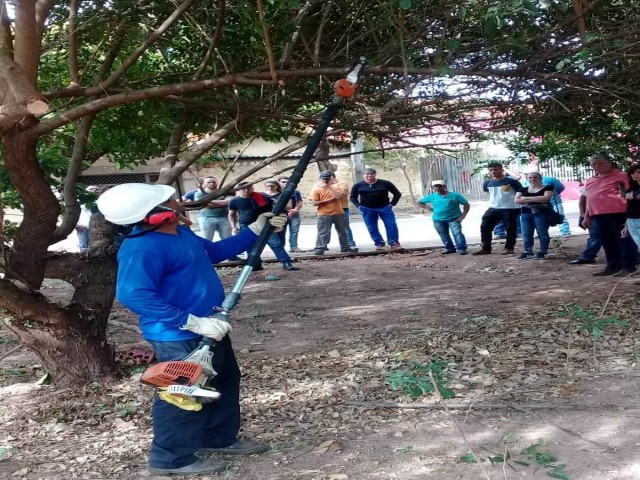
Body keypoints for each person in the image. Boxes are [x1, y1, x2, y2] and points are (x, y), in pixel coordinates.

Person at [97, 183, 286, 476]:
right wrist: (190, 322)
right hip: (178, 335)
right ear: (158, 214)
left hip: (212, 327)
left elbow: (213, 251)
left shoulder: (180, 233)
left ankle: (218, 438)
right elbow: (133, 294)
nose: (178, 203)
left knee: (223, 382)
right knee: (182, 394)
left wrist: (255, 230)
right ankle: (170, 459)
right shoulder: (143, 247)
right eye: (171, 201)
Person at [582, 153, 635, 276]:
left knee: (623, 240)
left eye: (600, 163)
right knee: (607, 242)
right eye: (594, 164)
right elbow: (589, 198)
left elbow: (631, 193)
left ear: (609, 164)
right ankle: (612, 266)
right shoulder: (591, 180)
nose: (597, 166)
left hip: (618, 213)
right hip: (597, 215)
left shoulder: (622, 176)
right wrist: (586, 216)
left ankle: (628, 266)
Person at [228, 182, 299, 271]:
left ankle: (286, 263)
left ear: (252, 188)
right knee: (250, 246)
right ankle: (256, 265)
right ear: (239, 190)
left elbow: (275, 207)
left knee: (276, 244)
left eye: (249, 188)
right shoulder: (234, 201)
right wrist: (233, 226)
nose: (246, 190)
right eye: (243, 188)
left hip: (265, 225)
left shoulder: (262, 197)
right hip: (246, 226)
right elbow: (231, 214)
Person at [472, 162, 523, 255]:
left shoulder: (512, 182)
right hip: (494, 207)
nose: (493, 172)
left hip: (510, 208)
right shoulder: (487, 182)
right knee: (485, 226)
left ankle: (509, 248)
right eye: (491, 170)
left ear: (501, 169)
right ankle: (486, 248)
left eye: (496, 169)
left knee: (510, 228)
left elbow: (520, 192)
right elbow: (489, 192)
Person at [349, 167, 402, 250]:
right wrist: (359, 206)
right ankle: (379, 244)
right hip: (367, 209)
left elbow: (397, 194)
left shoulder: (385, 183)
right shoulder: (358, 186)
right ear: (363, 175)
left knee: (391, 225)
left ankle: (394, 243)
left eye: (371, 174)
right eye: (367, 174)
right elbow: (352, 197)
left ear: (375, 174)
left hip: (385, 208)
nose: (369, 176)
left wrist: (392, 204)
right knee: (372, 227)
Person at [309, 171, 359, 255]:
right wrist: (328, 200)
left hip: (338, 212)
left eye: (329, 179)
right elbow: (314, 203)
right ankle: (320, 247)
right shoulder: (316, 189)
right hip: (323, 213)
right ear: (321, 179)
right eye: (325, 179)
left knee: (342, 231)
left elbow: (337, 196)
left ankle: (345, 247)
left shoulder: (336, 187)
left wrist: (329, 187)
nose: (327, 180)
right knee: (323, 231)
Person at [417, 180, 469, 255]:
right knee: (443, 234)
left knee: (457, 233)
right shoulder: (432, 196)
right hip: (438, 219)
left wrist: (463, 215)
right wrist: (429, 208)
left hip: (454, 218)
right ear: (433, 188)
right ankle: (450, 248)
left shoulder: (455, 195)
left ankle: (461, 248)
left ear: (444, 186)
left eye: (440, 186)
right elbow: (419, 202)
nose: (438, 188)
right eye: (436, 186)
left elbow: (466, 204)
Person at [514, 171, 554, 259]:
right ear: (527, 179)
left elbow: (545, 198)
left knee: (542, 233)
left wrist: (526, 198)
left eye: (535, 177)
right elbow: (517, 200)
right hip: (525, 213)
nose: (532, 179)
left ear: (540, 178)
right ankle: (527, 251)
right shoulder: (522, 189)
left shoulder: (548, 188)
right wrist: (537, 199)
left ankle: (543, 251)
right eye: (530, 177)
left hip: (541, 213)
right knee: (526, 234)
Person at [194, 177, 233, 241]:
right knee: (206, 240)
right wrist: (221, 203)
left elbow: (228, 202)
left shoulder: (224, 192)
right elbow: (201, 205)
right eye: (208, 182)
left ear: (217, 183)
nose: (212, 184)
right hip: (206, 219)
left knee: (227, 239)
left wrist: (207, 201)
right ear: (204, 184)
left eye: (213, 182)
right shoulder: (199, 194)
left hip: (224, 218)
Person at [277, 176, 304, 253]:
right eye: (283, 182)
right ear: (279, 183)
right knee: (281, 231)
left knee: (294, 230)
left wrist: (295, 209)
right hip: (281, 215)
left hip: (294, 214)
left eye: (287, 182)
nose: (285, 183)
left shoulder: (295, 192)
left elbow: (299, 202)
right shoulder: (277, 193)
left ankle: (294, 247)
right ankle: (281, 248)